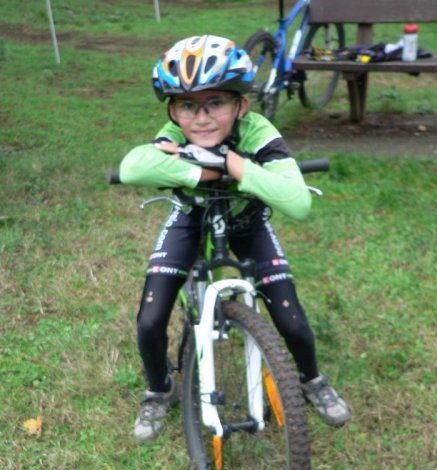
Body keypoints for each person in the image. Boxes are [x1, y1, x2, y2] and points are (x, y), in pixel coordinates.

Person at [118, 35, 352, 442]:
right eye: (187, 105)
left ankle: (311, 379)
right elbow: (133, 168)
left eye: (216, 103)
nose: (202, 118)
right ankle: (159, 389)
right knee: (150, 319)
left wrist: (232, 164)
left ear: (241, 105)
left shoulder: (257, 131)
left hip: (248, 221)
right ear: (173, 110)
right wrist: (207, 172)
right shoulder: (173, 130)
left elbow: (297, 202)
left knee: (292, 320)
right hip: (190, 216)